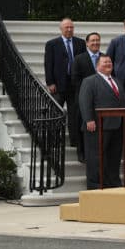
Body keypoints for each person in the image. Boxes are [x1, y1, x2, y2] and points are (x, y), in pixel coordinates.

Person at [78, 54, 125, 189]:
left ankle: (113, 183)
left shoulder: (117, 81)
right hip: (97, 126)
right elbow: (84, 101)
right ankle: (96, 185)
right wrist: (88, 119)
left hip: (117, 126)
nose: (108, 64)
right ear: (97, 66)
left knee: (114, 156)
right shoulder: (90, 81)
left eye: (110, 62)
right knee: (96, 157)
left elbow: (122, 101)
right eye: (105, 62)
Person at [43, 18, 86, 153]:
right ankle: (53, 141)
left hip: (75, 84)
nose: (69, 30)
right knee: (55, 112)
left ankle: (75, 140)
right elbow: (48, 64)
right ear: (61, 29)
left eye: (71, 27)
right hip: (58, 84)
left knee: (74, 114)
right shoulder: (52, 44)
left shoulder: (80, 43)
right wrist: (50, 82)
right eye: (66, 27)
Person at [70, 32, 103, 163]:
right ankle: (82, 152)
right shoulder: (79, 58)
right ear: (87, 43)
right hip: (84, 98)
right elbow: (75, 78)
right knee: (83, 125)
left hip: (102, 99)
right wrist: (88, 92)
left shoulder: (104, 57)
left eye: (97, 40)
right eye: (92, 41)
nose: (95, 43)